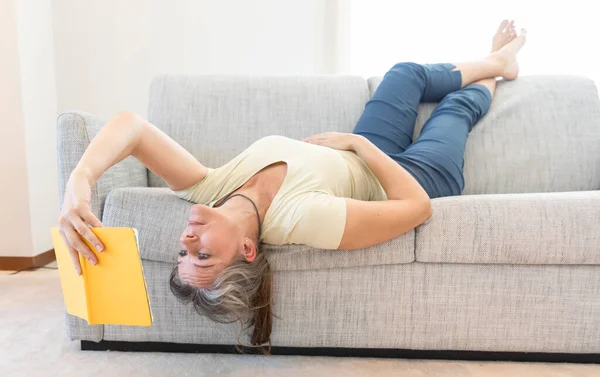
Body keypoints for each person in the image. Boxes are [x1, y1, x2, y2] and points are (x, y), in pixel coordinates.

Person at [58, 20, 527, 354]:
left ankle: (494, 58)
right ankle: (493, 75)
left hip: (358, 152)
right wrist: (361, 145)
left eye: (184, 255)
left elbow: (132, 128)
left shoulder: (208, 190)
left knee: (405, 72)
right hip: (414, 177)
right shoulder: (302, 219)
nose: (185, 241)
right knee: (455, 110)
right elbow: (418, 206)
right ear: (246, 248)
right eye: (202, 256)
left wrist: (80, 182)